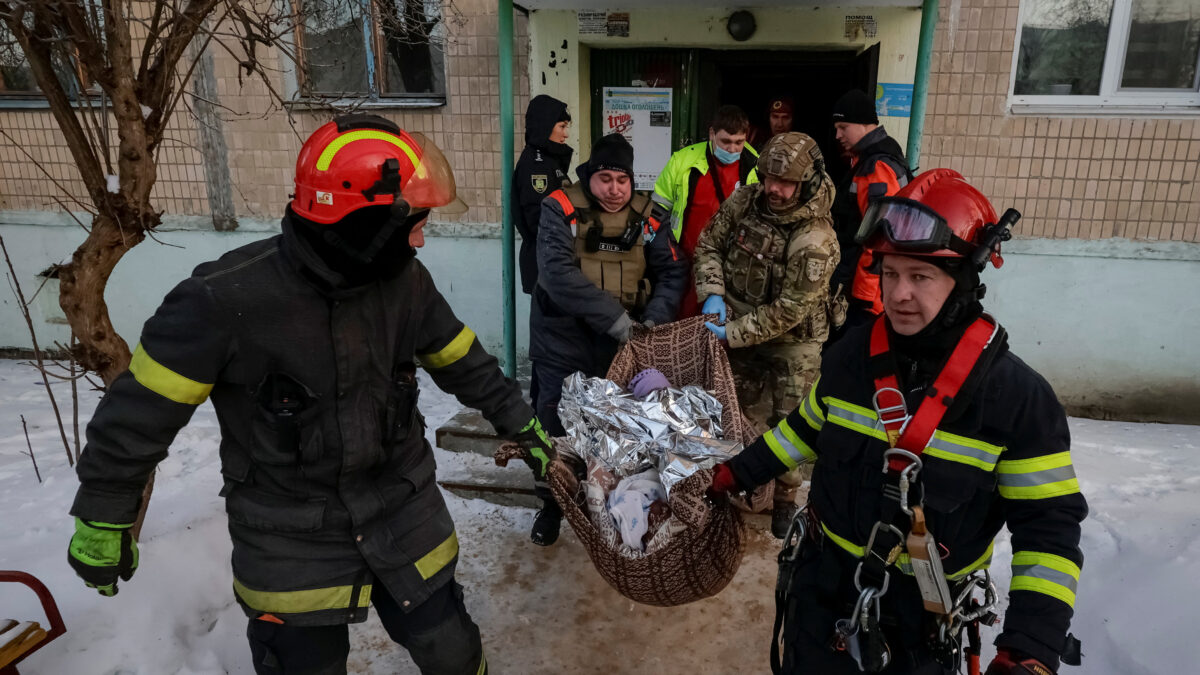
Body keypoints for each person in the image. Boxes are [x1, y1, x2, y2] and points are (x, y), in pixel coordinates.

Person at [66, 114, 555, 675]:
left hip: (402, 507)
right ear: (364, 224)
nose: (422, 237)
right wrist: (104, 513)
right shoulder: (219, 301)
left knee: (453, 652)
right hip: (289, 536)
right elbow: (138, 414)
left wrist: (524, 426)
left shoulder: (405, 283)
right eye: (415, 222)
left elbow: (466, 364)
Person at [709, 169, 1087, 675]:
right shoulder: (849, 359)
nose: (899, 294)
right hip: (822, 591)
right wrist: (735, 474)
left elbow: (1048, 530)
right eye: (890, 274)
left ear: (964, 281)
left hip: (924, 622)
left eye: (921, 276)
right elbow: (803, 431)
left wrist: (1030, 646)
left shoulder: (1018, 401)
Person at [530, 133, 688, 545]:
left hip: (621, 344)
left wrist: (653, 319)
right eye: (605, 178)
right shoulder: (560, 207)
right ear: (589, 176)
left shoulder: (649, 216)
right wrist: (617, 320)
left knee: (612, 430)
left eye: (623, 180)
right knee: (553, 426)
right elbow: (555, 274)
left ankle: (606, 507)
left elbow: (672, 271)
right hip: (562, 340)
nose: (615, 189)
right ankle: (550, 505)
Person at [692, 132, 842, 539]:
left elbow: (790, 311)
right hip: (736, 326)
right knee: (725, 411)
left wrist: (731, 333)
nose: (774, 190)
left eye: (785, 183)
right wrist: (712, 293)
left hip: (792, 342)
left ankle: (785, 499)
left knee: (789, 423)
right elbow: (709, 244)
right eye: (769, 178)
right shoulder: (746, 201)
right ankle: (726, 483)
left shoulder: (816, 238)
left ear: (807, 181)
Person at [653, 104, 759, 318]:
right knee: (683, 320)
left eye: (739, 142)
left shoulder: (755, 164)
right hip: (685, 261)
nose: (732, 149)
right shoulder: (682, 161)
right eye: (725, 142)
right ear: (712, 134)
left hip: (732, 265)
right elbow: (658, 209)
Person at [829, 88, 913, 336]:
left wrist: (865, 299)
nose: (837, 135)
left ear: (864, 124)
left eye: (843, 127)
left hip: (866, 296)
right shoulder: (873, 158)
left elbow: (880, 236)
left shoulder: (875, 166)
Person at [513, 94, 573, 296]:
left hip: (551, 260)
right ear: (546, 125)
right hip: (546, 263)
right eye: (562, 127)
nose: (566, 134)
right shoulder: (536, 164)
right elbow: (538, 220)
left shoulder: (548, 159)